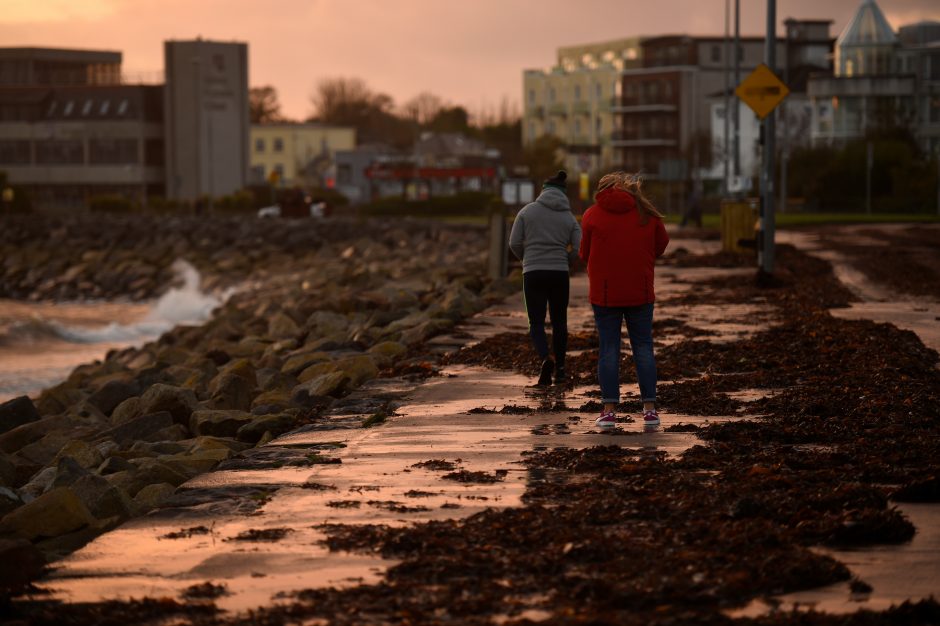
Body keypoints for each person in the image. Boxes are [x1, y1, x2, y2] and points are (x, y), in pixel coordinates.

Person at [579, 172, 669, 428]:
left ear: (602, 190)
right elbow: (661, 245)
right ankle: (650, 410)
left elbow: (584, 253)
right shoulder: (646, 213)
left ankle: (608, 411)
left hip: (605, 294)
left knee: (609, 348)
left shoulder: (591, 215)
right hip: (640, 292)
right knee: (643, 347)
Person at [509, 170, 582, 386]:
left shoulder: (526, 212)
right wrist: (566, 260)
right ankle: (560, 369)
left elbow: (514, 243)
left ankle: (545, 358)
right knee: (560, 322)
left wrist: (527, 260)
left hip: (533, 273)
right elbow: (579, 247)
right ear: (563, 194)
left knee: (536, 322)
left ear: (543, 191)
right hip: (559, 273)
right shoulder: (569, 218)